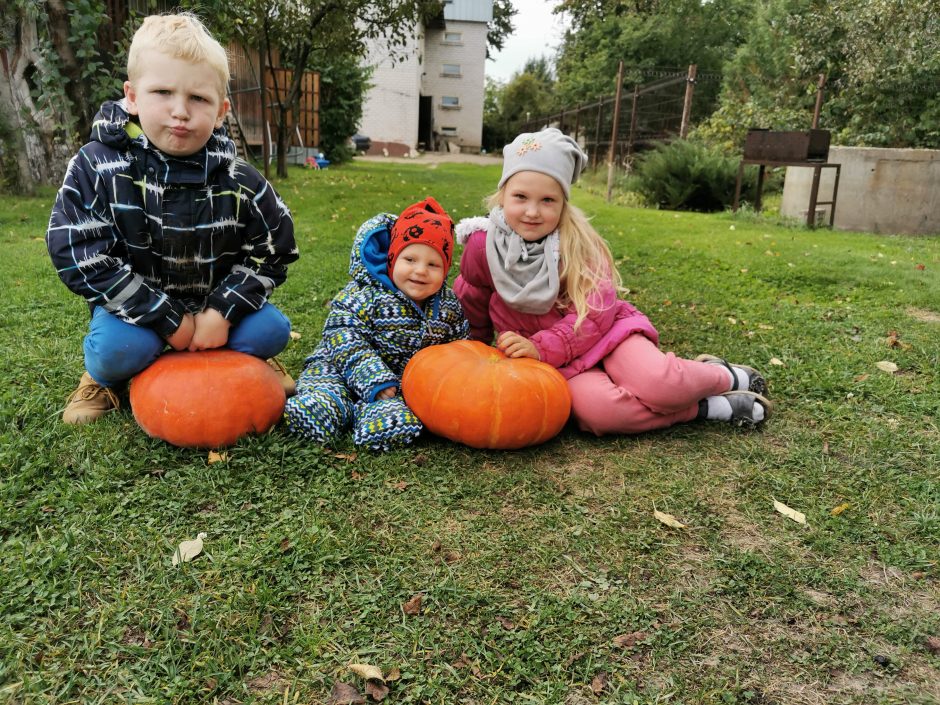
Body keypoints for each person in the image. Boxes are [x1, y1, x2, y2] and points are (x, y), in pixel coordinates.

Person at [46, 13, 298, 425]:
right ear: (132, 96)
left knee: (272, 331)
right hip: (135, 310)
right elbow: (77, 252)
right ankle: (99, 378)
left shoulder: (241, 179)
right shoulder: (98, 165)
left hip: (214, 309)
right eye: (162, 92)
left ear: (221, 111)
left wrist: (222, 309)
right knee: (116, 351)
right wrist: (166, 318)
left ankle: (242, 361)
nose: (180, 111)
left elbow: (275, 251)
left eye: (198, 99)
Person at [453, 128, 771, 436]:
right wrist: (477, 363)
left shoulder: (578, 243)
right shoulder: (484, 248)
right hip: (551, 362)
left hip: (607, 336)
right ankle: (709, 408)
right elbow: (473, 307)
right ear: (502, 195)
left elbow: (596, 312)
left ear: (563, 202)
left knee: (661, 385)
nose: (533, 211)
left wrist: (541, 346)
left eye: (548, 200)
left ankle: (724, 375)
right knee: (600, 413)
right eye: (520, 197)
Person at [285, 197, 469, 450]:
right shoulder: (365, 294)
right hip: (340, 364)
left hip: (398, 383)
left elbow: (459, 345)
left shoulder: (447, 305)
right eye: (410, 260)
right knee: (326, 386)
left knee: (394, 412)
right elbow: (343, 336)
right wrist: (373, 377)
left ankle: (375, 416)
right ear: (392, 259)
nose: (420, 271)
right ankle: (327, 405)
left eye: (433, 264)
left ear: (446, 269)